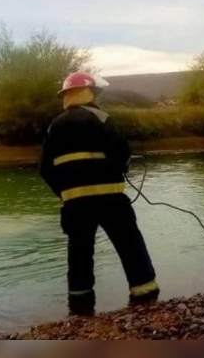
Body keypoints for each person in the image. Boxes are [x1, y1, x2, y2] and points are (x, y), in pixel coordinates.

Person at [39, 71, 160, 317]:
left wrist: (65, 193)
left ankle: (80, 307)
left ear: (67, 96)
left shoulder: (55, 126)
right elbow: (122, 153)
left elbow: (45, 169)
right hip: (111, 199)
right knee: (130, 245)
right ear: (90, 93)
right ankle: (145, 297)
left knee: (79, 253)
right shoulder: (101, 118)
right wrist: (117, 170)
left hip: (74, 205)